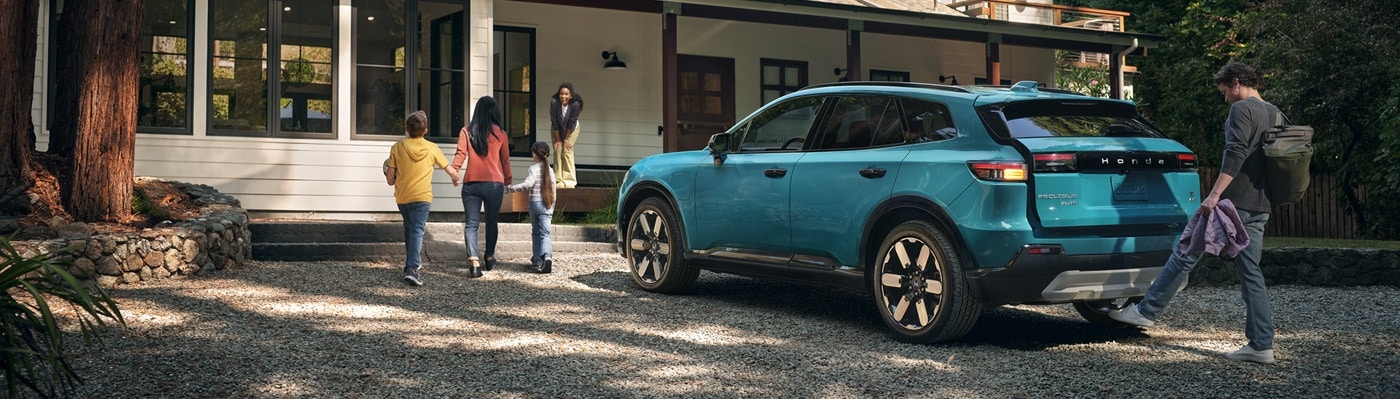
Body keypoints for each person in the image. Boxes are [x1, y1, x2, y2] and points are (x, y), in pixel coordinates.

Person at [1110, 62, 1280, 364]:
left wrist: (1213, 195)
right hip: (1260, 205)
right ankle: (1261, 345)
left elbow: (1235, 153)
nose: (1225, 97)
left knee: (1186, 250)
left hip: (1232, 204)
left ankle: (1146, 311)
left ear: (1236, 82)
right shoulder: (1275, 112)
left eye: (1225, 90)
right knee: (1251, 274)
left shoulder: (1242, 110)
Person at [384, 110, 458, 286]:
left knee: (410, 230)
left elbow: (389, 180)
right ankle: (412, 268)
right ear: (425, 131)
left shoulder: (397, 147)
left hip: (403, 197)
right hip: (422, 197)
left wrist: (388, 171)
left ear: (406, 129)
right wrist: (456, 178)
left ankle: (409, 264)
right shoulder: (432, 148)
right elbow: (449, 168)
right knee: (417, 231)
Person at [447, 97, 513, 278]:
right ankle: (489, 257)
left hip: (471, 184)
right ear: (494, 112)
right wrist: (508, 180)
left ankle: (474, 262)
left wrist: (454, 172)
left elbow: (460, 154)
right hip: (494, 184)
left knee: (472, 224)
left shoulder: (467, 131)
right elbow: (504, 160)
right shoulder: (501, 133)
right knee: (492, 221)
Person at [505, 142, 557, 274]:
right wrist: (552, 206)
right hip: (548, 204)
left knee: (536, 232)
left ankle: (536, 260)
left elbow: (528, 184)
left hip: (535, 204)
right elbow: (554, 190)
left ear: (535, 154)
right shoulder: (550, 170)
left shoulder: (533, 169)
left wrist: (510, 189)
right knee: (545, 233)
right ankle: (548, 257)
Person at [550, 82, 583, 188]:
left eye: (566, 94)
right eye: (561, 94)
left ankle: (569, 181)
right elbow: (554, 121)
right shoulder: (554, 102)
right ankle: (558, 180)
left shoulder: (575, 104)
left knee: (567, 149)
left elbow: (571, 122)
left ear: (571, 95)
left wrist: (566, 139)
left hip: (572, 129)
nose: (563, 96)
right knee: (558, 149)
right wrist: (558, 139)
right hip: (556, 129)